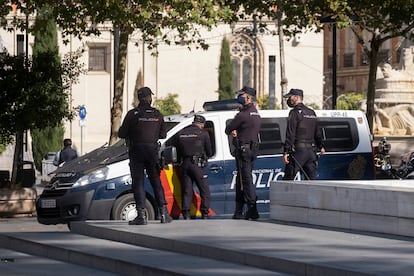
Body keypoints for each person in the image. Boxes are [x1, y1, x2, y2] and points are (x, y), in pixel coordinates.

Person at [118, 86, 172, 225]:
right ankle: (164, 213)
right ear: (149, 98)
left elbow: (121, 134)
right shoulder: (157, 114)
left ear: (139, 98)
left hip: (136, 151)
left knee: (138, 183)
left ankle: (141, 216)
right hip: (152, 151)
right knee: (156, 182)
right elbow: (163, 135)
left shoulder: (132, 114)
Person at [225, 86, 261, 220]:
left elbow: (228, 128)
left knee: (245, 181)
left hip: (244, 150)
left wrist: (234, 130)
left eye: (242, 94)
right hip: (252, 150)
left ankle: (252, 209)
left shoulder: (242, 115)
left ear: (249, 98)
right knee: (243, 180)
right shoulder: (256, 113)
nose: (239, 96)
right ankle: (239, 211)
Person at [282, 88, 325, 180]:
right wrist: (321, 146)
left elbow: (290, 133)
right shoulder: (311, 112)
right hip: (311, 152)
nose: (288, 100)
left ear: (297, 97)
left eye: (290, 97)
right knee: (310, 181)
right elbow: (317, 132)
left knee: (287, 181)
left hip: (299, 152)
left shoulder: (294, 113)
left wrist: (286, 151)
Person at [177, 114, 213, 219]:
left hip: (184, 164)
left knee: (187, 190)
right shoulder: (203, 133)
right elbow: (210, 152)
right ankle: (205, 213)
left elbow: (178, 151)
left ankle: (186, 213)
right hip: (197, 165)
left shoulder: (182, 133)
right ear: (202, 124)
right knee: (204, 190)